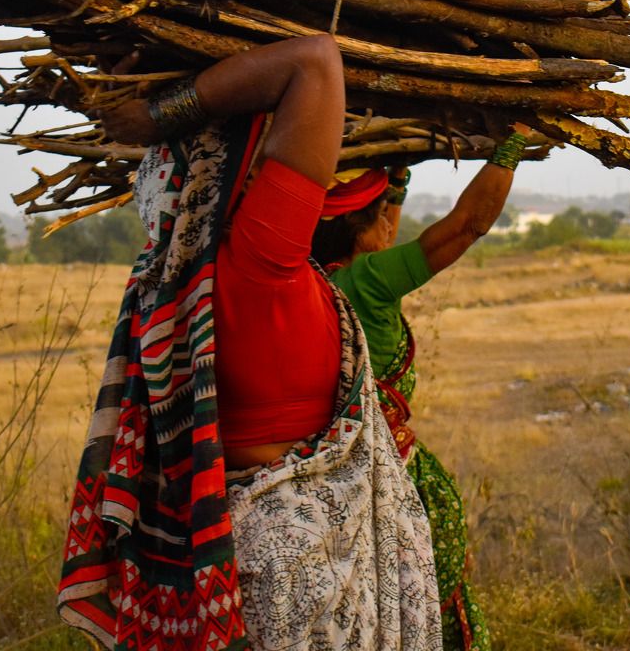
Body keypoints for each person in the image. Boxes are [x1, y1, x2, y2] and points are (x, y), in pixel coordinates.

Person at [58, 34, 444, 651]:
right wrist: (158, 116)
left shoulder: (173, 291)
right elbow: (316, 61)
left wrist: (129, 82)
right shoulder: (259, 265)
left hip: (251, 558)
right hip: (298, 563)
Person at [312, 126, 531, 651]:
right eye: (380, 217)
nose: (391, 229)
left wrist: (395, 176)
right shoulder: (368, 279)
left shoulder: (306, 276)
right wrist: (512, 145)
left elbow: (386, 230)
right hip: (386, 483)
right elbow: (469, 224)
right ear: (359, 229)